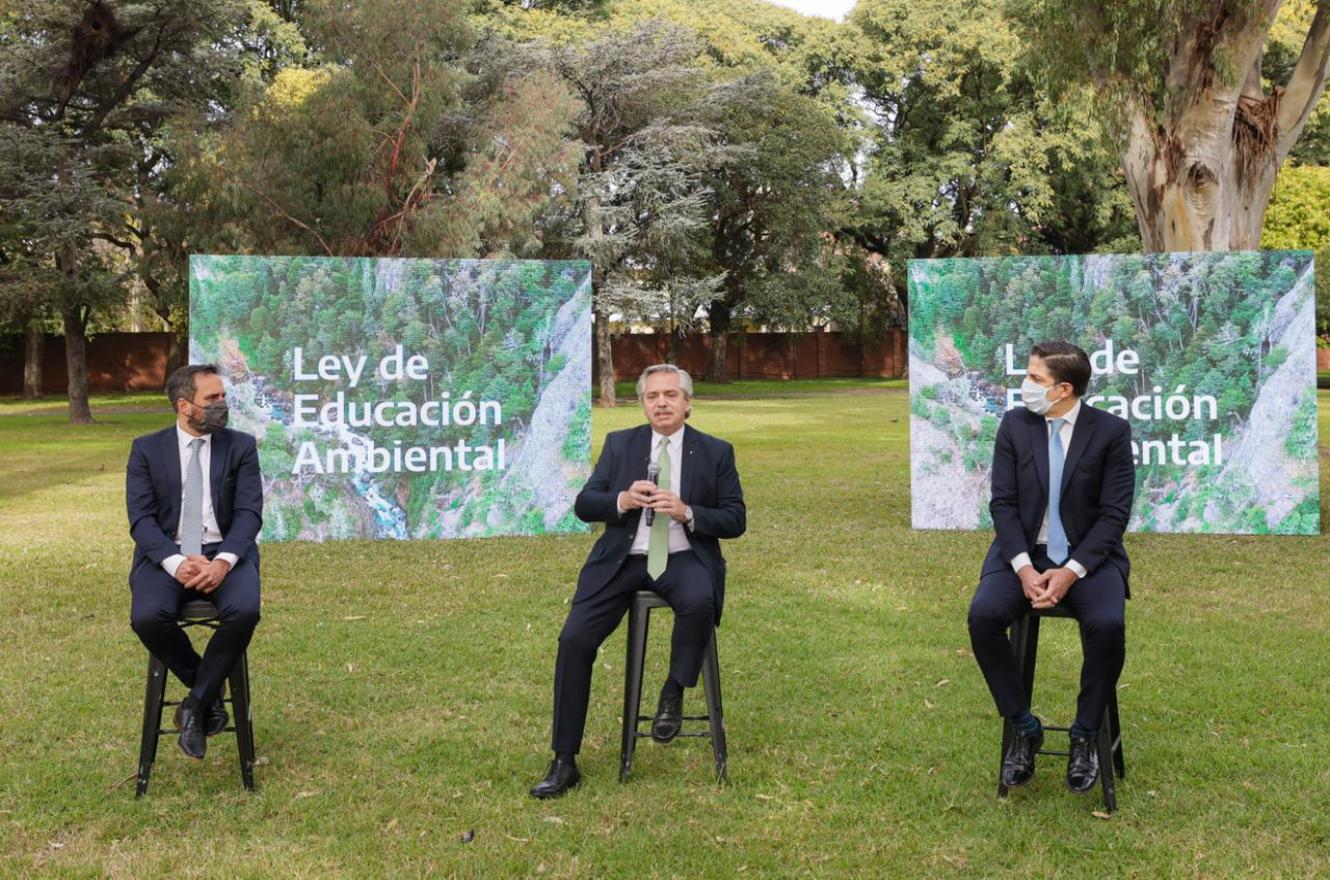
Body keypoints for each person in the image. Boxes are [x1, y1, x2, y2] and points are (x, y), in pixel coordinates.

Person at [530, 364, 746, 798]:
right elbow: (584, 503)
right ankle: (563, 760)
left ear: (688, 403)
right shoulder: (620, 444)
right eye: (652, 396)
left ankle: (673, 691)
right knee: (574, 639)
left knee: (699, 600)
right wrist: (622, 500)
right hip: (622, 560)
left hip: (682, 555)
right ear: (642, 402)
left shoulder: (715, 451)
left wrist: (687, 512)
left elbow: (735, 519)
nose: (662, 403)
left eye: (671, 395)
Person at [967, 341, 1135, 794]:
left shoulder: (1111, 432)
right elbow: (1002, 504)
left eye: (1035, 378)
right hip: (1022, 553)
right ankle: (1024, 726)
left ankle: (1084, 736)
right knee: (983, 616)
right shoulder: (1014, 426)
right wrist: (1024, 568)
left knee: (1106, 623)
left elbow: (1114, 516)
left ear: (1063, 389)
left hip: (1088, 559)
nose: (1026, 385)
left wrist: (1071, 571)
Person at [126, 364, 263, 761]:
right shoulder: (146, 450)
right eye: (213, 399)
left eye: (223, 396)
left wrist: (222, 562)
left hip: (224, 552)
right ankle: (209, 696)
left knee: (245, 611)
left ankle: (194, 704)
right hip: (167, 555)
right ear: (185, 406)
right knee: (148, 617)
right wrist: (173, 561)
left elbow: (249, 513)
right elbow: (141, 519)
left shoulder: (240, 446)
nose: (223, 404)